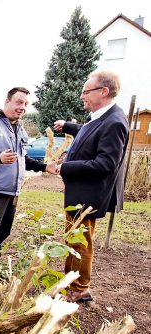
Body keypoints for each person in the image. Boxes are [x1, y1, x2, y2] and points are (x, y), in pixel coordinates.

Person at [53, 70, 128, 303]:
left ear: (103, 91)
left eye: (86, 91)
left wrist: (66, 167)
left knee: (81, 241)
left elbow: (106, 163)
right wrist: (67, 126)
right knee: (73, 238)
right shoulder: (100, 116)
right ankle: (69, 282)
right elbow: (88, 133)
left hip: (88, 195)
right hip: (79, 192)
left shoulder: (115, 121)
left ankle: (80, 287)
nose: (81, 96)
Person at [0, 87, 59, 249]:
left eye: (26, 104)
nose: (23, 107)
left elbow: (22, 158)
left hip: (12, 194)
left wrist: (45, 167)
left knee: (2, 235)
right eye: (19, 102)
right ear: (7, 101)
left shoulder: (19, 129)